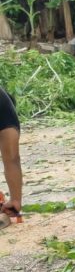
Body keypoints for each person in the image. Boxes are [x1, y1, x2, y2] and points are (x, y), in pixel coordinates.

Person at [0, 87, 22, 223]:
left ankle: (14, 201)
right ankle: (15, 202)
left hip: (6, 113)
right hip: (8, 113)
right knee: (12, 159)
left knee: (12, 159)